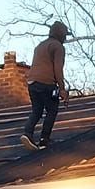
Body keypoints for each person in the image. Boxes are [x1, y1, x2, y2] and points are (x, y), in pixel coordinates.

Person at [23, 21, 69, 150]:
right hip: (46, 83)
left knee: (37, 110)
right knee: (52, 109)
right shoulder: (57, 46)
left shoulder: (40, 46)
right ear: (60, 34)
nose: (65, 38)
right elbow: (58, 68)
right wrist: (62, 89)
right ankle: (44, 139)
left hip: (32, 82)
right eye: (65, 35)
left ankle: (27, 133)